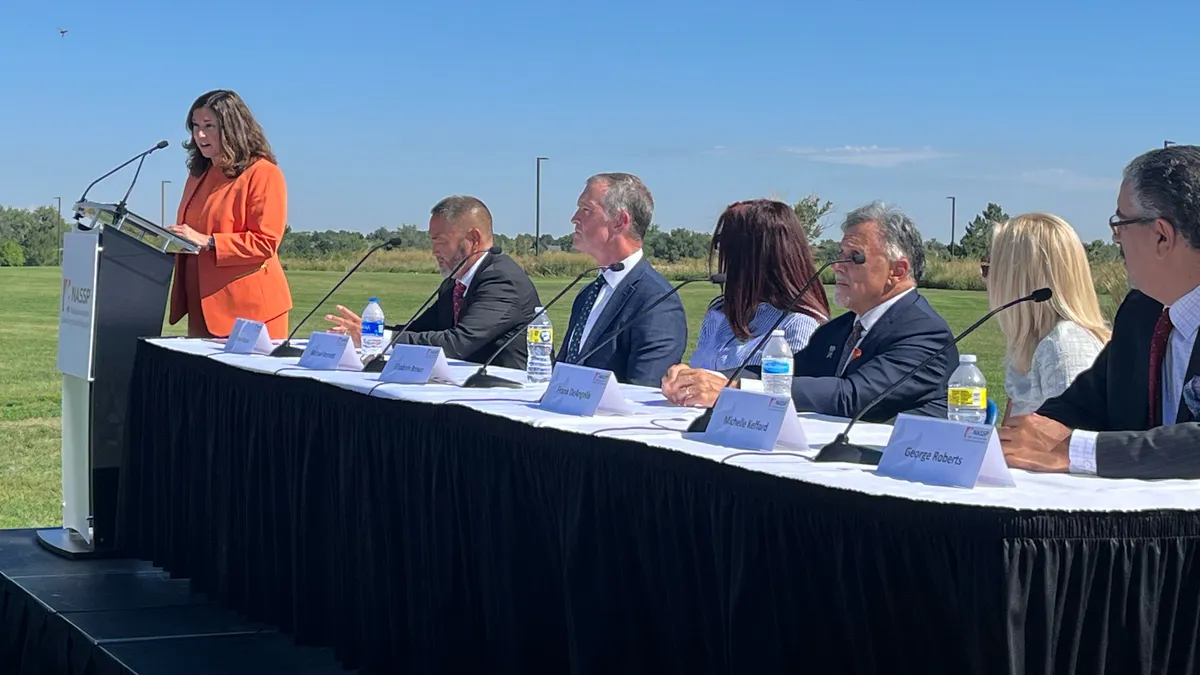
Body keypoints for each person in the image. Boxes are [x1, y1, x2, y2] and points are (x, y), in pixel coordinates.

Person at [1001, 145, 1200, 479]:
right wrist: (1019, 438)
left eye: (1121, 223)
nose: (1115, 238)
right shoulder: (1141, 313)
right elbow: (1084, 404)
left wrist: (1075, 451)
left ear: (1162, 236)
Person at [662, 201, 957, 423]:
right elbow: (785, 371)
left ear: (897, 270)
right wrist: (703, 377)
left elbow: (851, 396)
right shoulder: (839, 331)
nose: (837, 267)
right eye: (838, 256)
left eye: (853, 258)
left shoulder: (925, 333)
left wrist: (734, 388)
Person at [324, 195, 541, 370]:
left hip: (507, 394)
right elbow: (419, 330)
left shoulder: (502, 280)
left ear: (474, 239)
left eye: (440, 241)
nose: (433, 251)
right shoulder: (455, 281)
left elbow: (458, 343)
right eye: (432, 240)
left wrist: (379, 339)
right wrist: (368, 333)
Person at [165, 89, 293, 338]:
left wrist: (209, 241)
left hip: (251, 314)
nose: (199, 134)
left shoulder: (263, 173)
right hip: (201, 305)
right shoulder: (198, 174)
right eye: (195, 125)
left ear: (233, 128)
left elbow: (265, 243)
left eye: (209, 126)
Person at [555, 172, 687, 387]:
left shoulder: (657, 301)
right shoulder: (588, 294)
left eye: (586, 209)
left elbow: (644, 392)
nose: (574, 218)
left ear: (619, 222)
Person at [988, 213, 1110, 422]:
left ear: (1016, 278)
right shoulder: (1033, 344)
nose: (988, 279)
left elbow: (1071, 444)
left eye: (989, 269)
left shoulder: (1064, 346)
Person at [687, 199, 830, 372]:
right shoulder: (719, 312)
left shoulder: (798, 326)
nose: (720, 253)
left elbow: (786, 394)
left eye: (724, 243)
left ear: (750, 256)